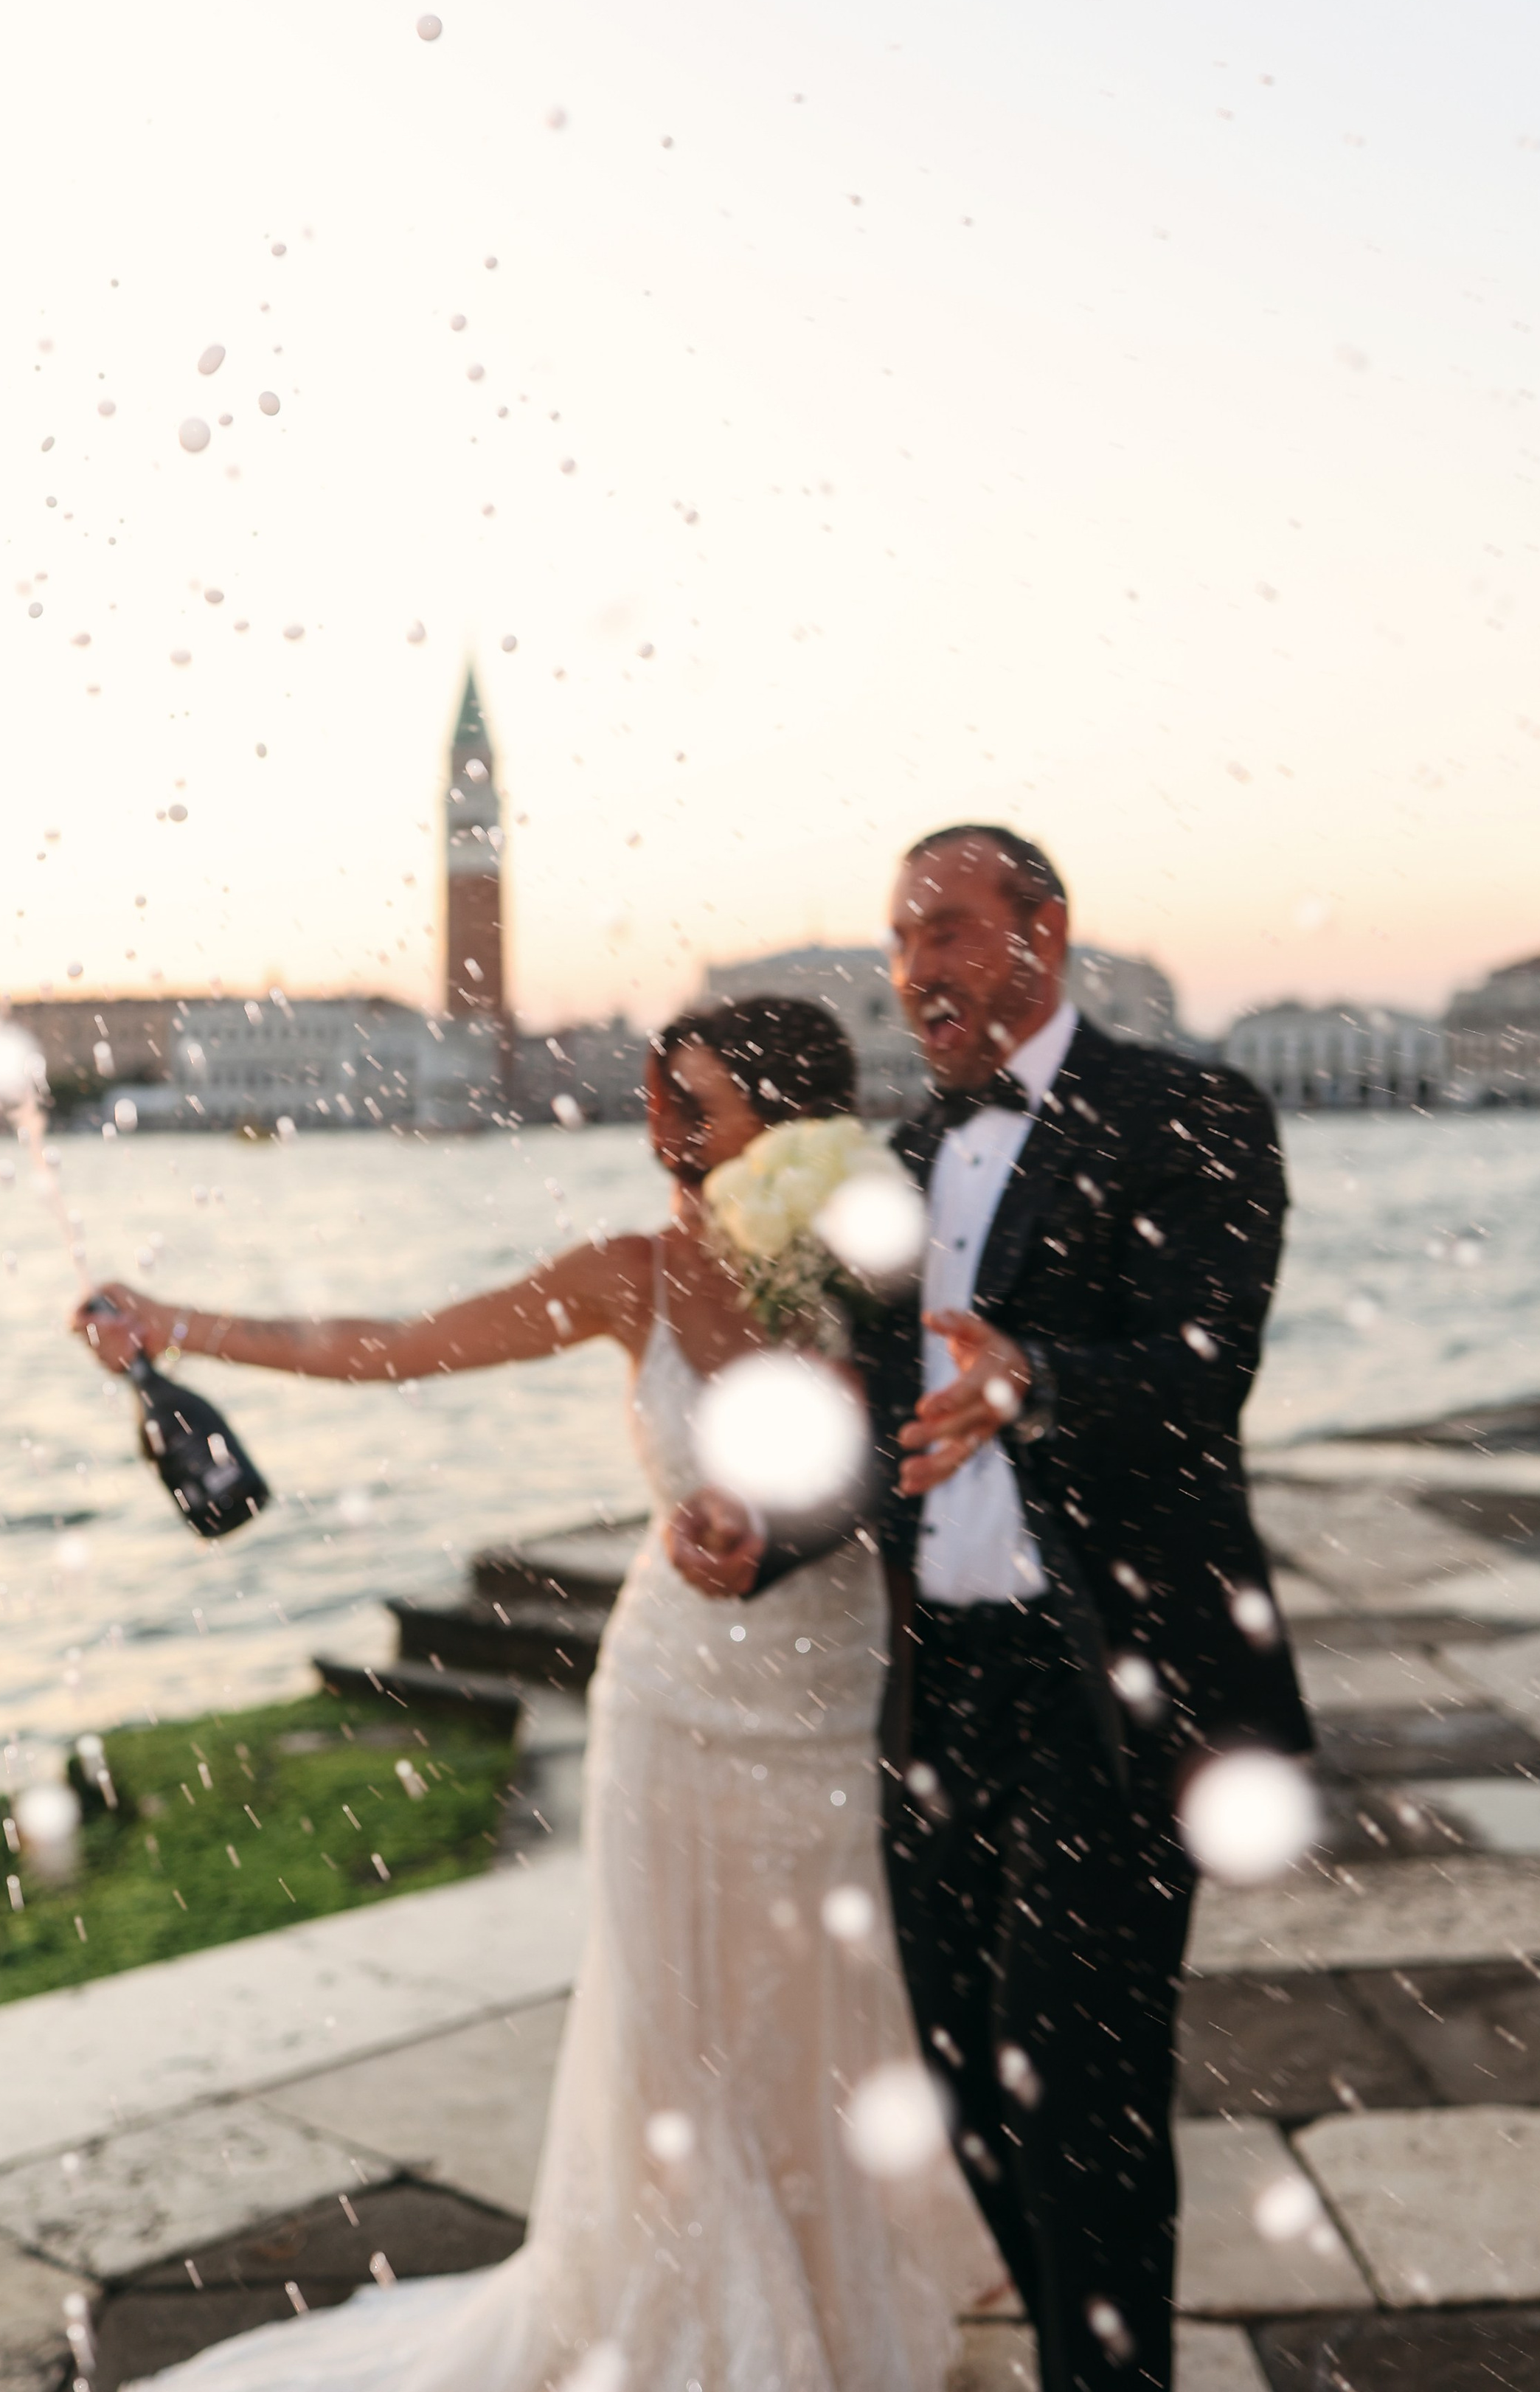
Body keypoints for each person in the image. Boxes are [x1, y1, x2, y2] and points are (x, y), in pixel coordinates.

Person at [73, 992, 1002, 2392]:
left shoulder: (881, 1260)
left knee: (819, 2003)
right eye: (656, 1098)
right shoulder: (627, 1274)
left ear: (791, 1124)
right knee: (674, 2023)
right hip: (674, 1699)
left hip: (832, 1693)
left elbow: (921, 1455)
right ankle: (707, 2327)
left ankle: (838, 2281)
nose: (662, 1130)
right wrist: (179, 1324)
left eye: (694, 1104)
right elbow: (395, 1343)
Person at [670, 828, 1310, 2392]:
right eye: (899, 943)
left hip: (1113, 1676)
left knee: (1073, 2083)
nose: (913, 973)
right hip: (938, 1692)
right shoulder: (899, 1168)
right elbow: (894, 1428)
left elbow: (1200, 1373)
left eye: (945, 932)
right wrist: (761, 1532)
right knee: (964, 2078)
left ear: (1043, 931)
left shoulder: (1189, 1113)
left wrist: (1036, 1382)